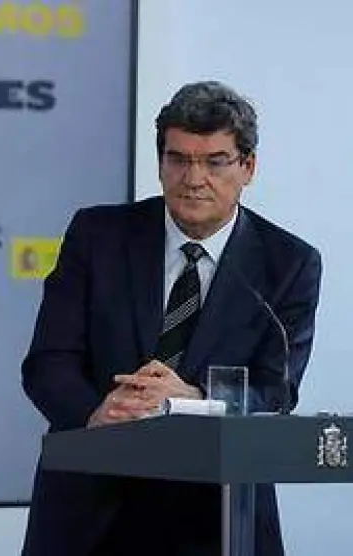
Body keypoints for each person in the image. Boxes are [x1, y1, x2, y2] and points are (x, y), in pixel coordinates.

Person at [20, 81, 322, 556]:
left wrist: (195, 401)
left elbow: (276, 389)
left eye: (215, 162)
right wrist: (95, 414)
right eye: (178, 159)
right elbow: (48, 362)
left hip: (218, 515)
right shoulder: (98, 236)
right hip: (90, 509)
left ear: (248, 167)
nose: (193, 178)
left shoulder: (288, 263)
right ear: (160, 162)